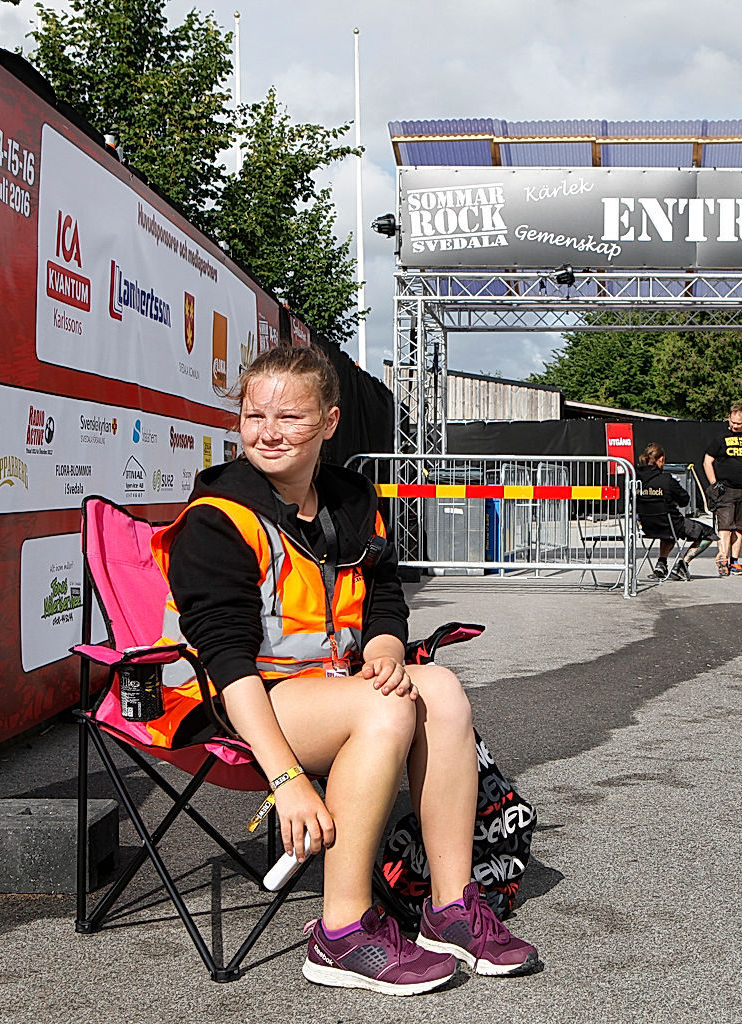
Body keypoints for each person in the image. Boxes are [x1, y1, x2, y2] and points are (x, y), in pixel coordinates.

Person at [150, 345, 537, 995]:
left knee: (436, 688)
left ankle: (448, 908)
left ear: (329, 423)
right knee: (385, 708)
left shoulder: (352, 500)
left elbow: (384, 600)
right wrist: (288, 779)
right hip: (223, 702)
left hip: (320, 691)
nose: (268, 432)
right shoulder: (217, 519)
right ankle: (342, 931)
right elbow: (227, 662)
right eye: (253, 415)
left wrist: (385, 651)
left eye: (290, 417)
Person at [635, 443, 716, 581]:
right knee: (709, 534)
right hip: (671, 523)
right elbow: (684, 499)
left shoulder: (635, 479)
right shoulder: (666, 480)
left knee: (668, 531)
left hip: (647, 526)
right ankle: (683, 564)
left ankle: (662, 563)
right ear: (660, 460)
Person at [703, 403, 742, 576]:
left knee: (739, 527)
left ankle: (734, 562)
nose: (735, 426)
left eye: (739, 423)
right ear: (729, 418)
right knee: (724, 527)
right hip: (726, 489)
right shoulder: (720, 437)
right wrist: (714, 483)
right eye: (733, 422)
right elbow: (707, 460)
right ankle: (722, 559)